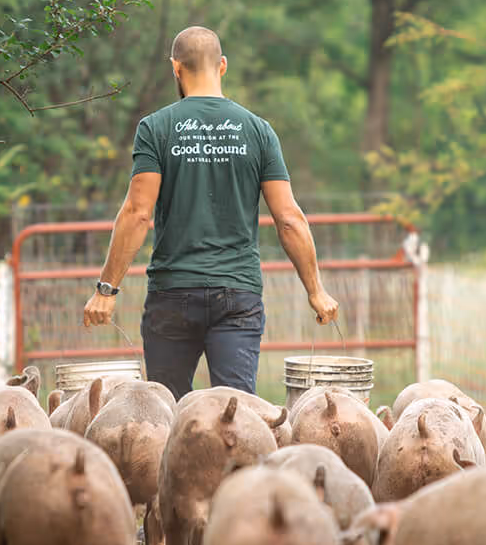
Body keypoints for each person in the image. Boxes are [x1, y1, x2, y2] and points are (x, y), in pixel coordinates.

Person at [82, 25, 339, 400]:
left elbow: (138, 213)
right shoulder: (259, 131)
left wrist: (106, 290)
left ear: (175, 68)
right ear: (222, 66)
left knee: (165, 414)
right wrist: (316, 291)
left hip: (173, 294)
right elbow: (289, 219)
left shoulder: (156, 128)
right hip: (237, 296)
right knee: (234, 417)